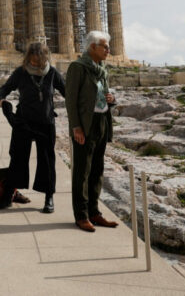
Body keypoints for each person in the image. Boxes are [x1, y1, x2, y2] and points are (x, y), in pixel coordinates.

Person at [0, 42, 66, 213]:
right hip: (24, 121)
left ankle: (49, 197)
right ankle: (9, 193)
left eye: (37, 61)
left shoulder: (52, 73)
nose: (34, 64)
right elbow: (5, 88)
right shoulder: (21, 72)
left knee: (47, 161)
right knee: (17, 158)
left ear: (44, 58)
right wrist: (2, 100)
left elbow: (68, 93)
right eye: (31, 60)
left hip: (45, 122)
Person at [66, 31, 119, 232]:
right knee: (82, 171)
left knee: (97, 170)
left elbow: (103, 94)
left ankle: (94, 212)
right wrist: (76, 127)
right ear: (92, 47)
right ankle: (81, 215)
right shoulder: (77, 68)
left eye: (108, 46)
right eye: (104, 46)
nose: (108, 50)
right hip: (85, 125)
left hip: (102, 121)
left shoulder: (102, 69)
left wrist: (111, 99)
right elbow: (71, 100)